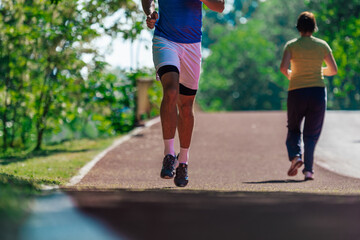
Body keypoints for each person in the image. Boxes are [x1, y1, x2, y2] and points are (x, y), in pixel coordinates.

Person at [141, 0, 225, 187]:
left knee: (186, 107)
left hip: (192, 45)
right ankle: (169, 155)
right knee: (171, 91)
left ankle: (183, 161)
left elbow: (220, 6)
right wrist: (150, 12)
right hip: (165, 40)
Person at [280, 11, 338, 181]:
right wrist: (318, 70)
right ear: (314, 27)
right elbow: (333, 70)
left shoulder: (291, 45)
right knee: (311, 134)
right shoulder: (322, 46)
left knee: (294, 128)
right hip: (317, 92)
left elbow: (283, 68)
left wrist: (293, 75)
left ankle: (296, 157)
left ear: (298, 27)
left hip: (297, 91)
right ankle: (309, 171)